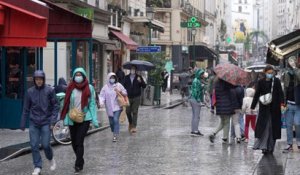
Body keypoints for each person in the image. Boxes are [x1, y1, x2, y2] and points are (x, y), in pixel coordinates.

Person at [60, 67, 99, 174]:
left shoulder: (89, 88)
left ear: (84, 76)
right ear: (73, 77)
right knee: (74, 143)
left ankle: (77, 165)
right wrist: (64, 118)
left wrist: (94, 120)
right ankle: (81, 160)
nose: (78, 77)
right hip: (72, 118)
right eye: (76, 75)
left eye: (80, 75)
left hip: (85, 118)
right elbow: (66, 103)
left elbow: (92, 104)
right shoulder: (70, 87)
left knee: (79, 141)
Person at [20, 70, 59, 175]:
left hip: (46, 122)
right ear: (34, 80)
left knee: (46, 145)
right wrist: (23, 123)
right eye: (37, 79)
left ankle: (50, 158)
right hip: (34, 122)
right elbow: (26, 108)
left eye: (40, 79)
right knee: (33, 145)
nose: (39, 81)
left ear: (43, 79)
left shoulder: (50, 90)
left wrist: (53, 121)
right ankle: (37, 166)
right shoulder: (29, 92)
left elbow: (56, 106)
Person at [250, 65, 284, 154]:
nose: (270, 74)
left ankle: (270, 147)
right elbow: (257, 94)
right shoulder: (261, 82)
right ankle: (264, 146)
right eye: (269, 73)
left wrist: (283, 104)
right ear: (265, 72)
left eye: (272, 73)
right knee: (265, 128)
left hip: (275, 109)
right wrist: (252, 106)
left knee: (273, 128)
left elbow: (280, 93)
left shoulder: (276, 81)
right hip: (264, 109)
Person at [99, 72, 127, 142]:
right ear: (108, 78)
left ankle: (115, 135)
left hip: (117, 106)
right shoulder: (105, 87)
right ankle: (113, 130)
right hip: (109, 108)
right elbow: (102, 96)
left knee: (115, 120)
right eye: (111, 78)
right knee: (111, 123)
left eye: (113, 78)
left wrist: (120, 91)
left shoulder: (118, 85)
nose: (112, 79)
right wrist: (101, 102)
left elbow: (125, 92)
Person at [208, 78, 236, 144]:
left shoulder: (216, 84)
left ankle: (213, 133)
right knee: (227, 122)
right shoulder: (227, 84)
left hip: (219, 106)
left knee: (222, 122)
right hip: (227, 105)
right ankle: (225, 138)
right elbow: (232, 91)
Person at [282, 56, 300, 152]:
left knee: (298, 124)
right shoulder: (286, 73)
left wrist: (295, 68)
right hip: (288, 103)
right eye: (290, 61)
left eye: (293, 61)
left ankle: (299, 142)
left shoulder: (298, 71)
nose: (291, 62)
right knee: (288, 125)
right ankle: (289, 144)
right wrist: (283, 102)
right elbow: (284, 88)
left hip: (298, 104)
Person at [123, 65, 146, 133]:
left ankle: (134, 127)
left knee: (135, 111)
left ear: (136, 70)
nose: (133, 70)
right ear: (130, 69)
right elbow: (123, 86)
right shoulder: (126, 77)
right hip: (128, 97)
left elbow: (144, 86)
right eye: (132, 69)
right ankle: (130, 122)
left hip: (136, 97)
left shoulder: (139, 77)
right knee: (128, 111)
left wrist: (140, 81)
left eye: (134, 69)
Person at [189, 69, 205, 136]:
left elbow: (197, 90)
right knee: (196, 116)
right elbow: (195, 91)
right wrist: (198, 100)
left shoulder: (197, 80)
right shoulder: (196, 81)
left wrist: (201, 87)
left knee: (194, 115)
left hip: (193, 99)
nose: (202, 75)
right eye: (201, 74)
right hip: (195, 100)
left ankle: (194, 129)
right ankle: (195, 130)